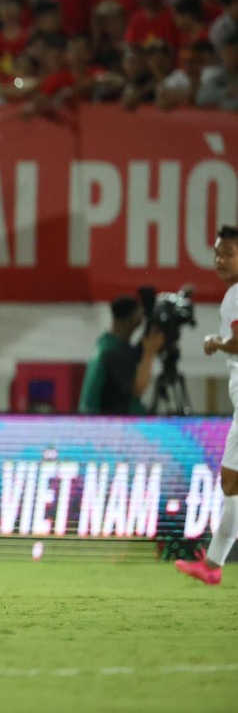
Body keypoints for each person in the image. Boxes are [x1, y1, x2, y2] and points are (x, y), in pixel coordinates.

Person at [176, 225, 238, 584]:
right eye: (217, 253)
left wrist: (216, 342)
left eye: (228, 253)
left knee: (232, 482)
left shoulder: (235, 296)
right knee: (232, 483)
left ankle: (213, 565)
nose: (219, 260)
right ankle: (213, 565)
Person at [79, 296, 165, 414]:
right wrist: (149, 353)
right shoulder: (115, 351)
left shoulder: (107, 342)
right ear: (134, 317)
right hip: (109, 420)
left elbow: (133, 356)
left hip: (97, 417)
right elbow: (138, 389)